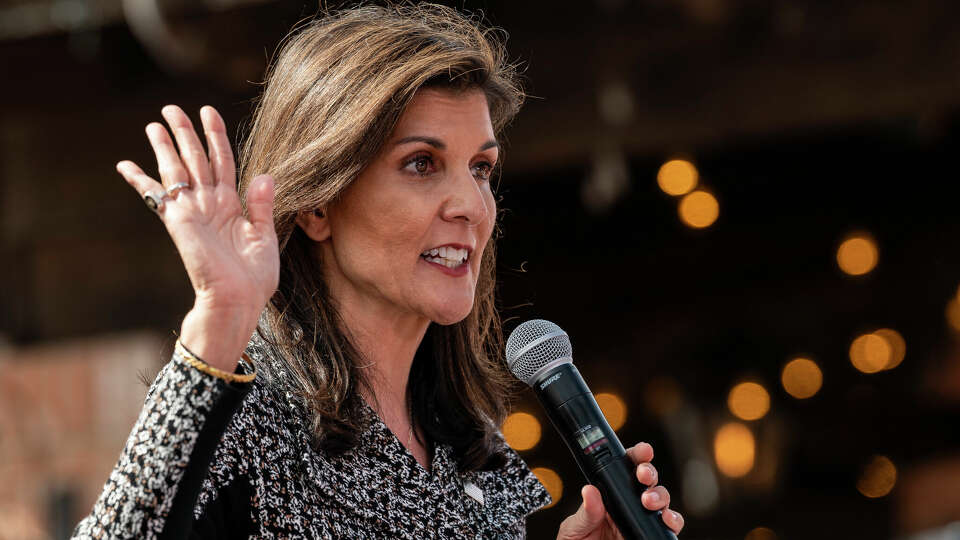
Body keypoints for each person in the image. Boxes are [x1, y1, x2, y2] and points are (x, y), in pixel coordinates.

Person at [73, 4, 684, 538]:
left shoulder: (474, 456)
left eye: (480, 168)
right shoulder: (247, 418)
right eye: (421, 164)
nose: (472, 206)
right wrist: (219, 319)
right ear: (317, 203)